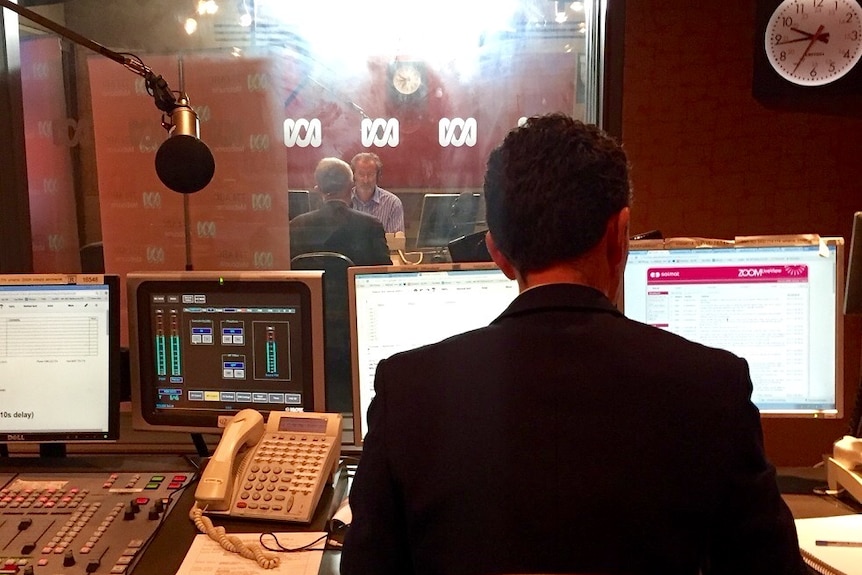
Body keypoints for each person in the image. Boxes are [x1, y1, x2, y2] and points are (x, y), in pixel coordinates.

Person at [340, 115, 805, 575]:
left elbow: (367, 565)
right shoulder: (712, 386)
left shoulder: (407, 387)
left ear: (497, 252)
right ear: (620, 235)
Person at [289, 157, 391, 266]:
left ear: (318, 190)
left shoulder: (296, 226)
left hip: (309, 284)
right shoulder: (371, 225)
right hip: (354, 284)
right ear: (351, 187)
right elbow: (383, 272)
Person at [350, 152, 405, 233]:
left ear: (378, 175)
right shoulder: (344, 200)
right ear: (353, 175)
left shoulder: (392, 203)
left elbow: (396, 243)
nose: (366, 180)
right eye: (361, 174)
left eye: (370, 174)